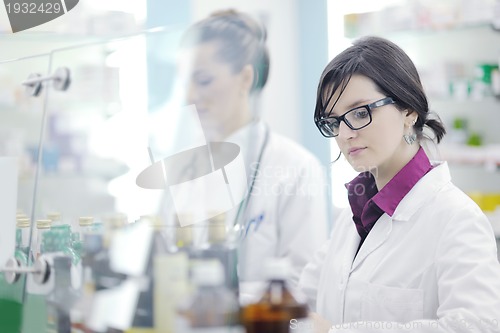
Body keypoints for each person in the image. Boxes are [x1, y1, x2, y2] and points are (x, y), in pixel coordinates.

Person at [300, 36, 500, 332]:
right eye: (334, 121)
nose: (345, 134)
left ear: (408, 110)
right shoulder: (355, 214)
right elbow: (301, 297)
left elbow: (476, 326)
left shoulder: (457, 220)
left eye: (359, 112)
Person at [176, 9, 329, 297]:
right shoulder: (182, 166)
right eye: (185, 82)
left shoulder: (295, 167)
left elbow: (303, 286)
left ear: (245, 78)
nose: (189, 96)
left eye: (204, 80)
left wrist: (219, 301)